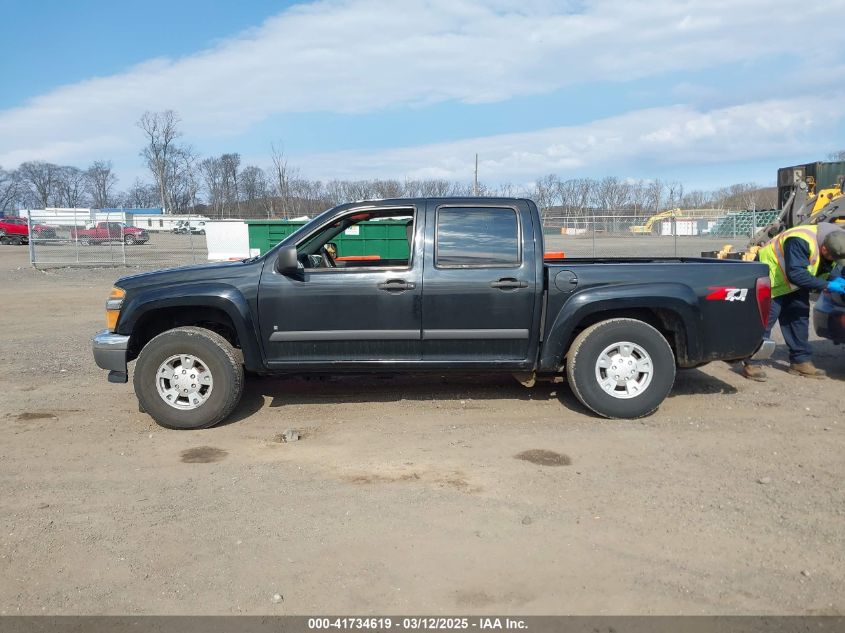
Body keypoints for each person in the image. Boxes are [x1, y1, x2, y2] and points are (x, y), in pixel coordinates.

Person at [742, 224, 845, 381]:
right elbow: (795, 273)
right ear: (824, 249)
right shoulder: (799, 240)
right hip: (772, 279)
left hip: (794, 282)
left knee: (799, 318)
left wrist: (834, 277)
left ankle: (800, 362)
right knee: (765, 321)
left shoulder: (836, 238)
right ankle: (753, 362)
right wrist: (828, 285)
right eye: (833, 257)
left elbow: (822, 266)